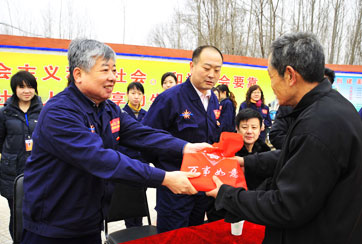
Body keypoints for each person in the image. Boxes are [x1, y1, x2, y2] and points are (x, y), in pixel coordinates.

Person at [21, 39, 211, 244]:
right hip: (53, 226)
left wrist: (185, 147)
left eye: (114, 70)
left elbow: (141, 133)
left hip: (89, 220)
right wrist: (165, 178)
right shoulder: (60, 112)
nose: (113, 77)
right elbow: (101, 159)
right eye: (105, 70)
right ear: (78, 74)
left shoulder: (107, 108)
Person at [206, 32, 362, 244]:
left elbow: (287, 206)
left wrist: (227, 195)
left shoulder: (318, 125)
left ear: (289, 75)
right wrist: (244, 161)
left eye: (271, 76)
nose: (270, 85)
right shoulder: (331, 108)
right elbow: (295, 156)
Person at [142, 45, 223, 233]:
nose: (212, 74)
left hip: (201, 188)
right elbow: (147, 138)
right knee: (173, 237)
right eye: (206, 68)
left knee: (195, 235)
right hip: (174, 190)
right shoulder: (170, 98)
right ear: (192, 66)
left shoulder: (213, 100)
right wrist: (166, 170)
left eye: (217, 70)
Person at [0, 71, 42, 240]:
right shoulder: (4, 113)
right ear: (14, 89)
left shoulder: (43, 111)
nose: (27, 91)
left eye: (30, 87)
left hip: (38, 171)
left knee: (37, 211)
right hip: (13, 172)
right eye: (22, 87)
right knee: (16, 213)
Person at [269, 67, 336, 149]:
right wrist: (299, 147)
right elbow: (276, 134)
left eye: (324, 84)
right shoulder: (288, 105)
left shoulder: (334, 112)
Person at [121, 81, 148, 228]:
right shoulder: (121, 114)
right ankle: (131, 231)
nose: (136, 96)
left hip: (143, 164)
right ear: (127, 95)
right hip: (128, 163)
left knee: (141, 200)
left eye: (139, 93)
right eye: (133, 93)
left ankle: (140, 229)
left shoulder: (146, 114)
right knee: (129, 200)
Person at [234, 108, 270, 190]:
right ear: (237, 128)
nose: (249, 131)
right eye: (244, 127)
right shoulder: (229, 153)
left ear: (260, 129)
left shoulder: (265, 152)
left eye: (254, 127)